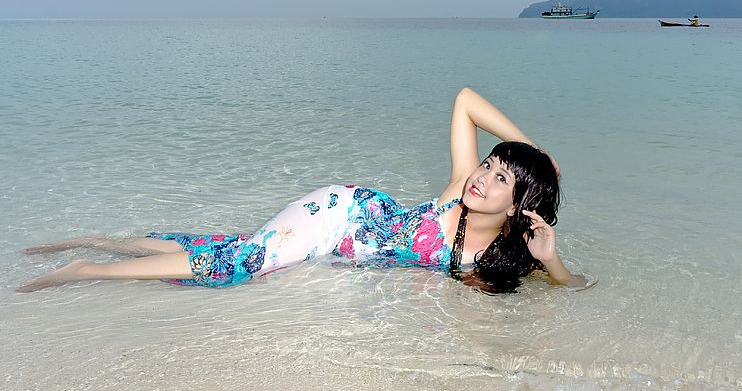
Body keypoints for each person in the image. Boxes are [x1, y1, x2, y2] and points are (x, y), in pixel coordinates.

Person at [19, 88, 592, 294]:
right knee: (241, 265)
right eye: (487, 165)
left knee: (234, 250)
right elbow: (466, 100)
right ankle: (84, 272)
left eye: (499, 179)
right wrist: (534, 150)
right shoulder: (453, 196)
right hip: (337, 214)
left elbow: (572, 287)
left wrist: (553, 260)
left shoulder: (500, 255)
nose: (481, 178)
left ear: (521, 207)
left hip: (329, 242)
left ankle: (110, 243)